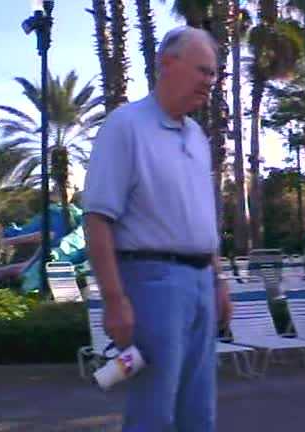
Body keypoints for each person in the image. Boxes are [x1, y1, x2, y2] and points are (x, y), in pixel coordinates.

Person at [83, 26, 232, 432]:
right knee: (154, 411)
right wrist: (114, 300)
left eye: (213, 74)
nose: (210, 81)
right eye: (203, 71)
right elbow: (97, 218)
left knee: (199, 411)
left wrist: (218, 280)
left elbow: (202, 217)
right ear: (168, 63)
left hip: (202, 284)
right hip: (152, 283)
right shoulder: (125, 126)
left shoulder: (197, 137)